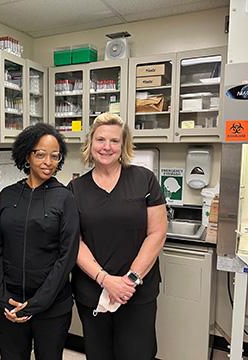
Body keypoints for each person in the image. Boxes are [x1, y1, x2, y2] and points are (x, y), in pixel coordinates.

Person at [69, 113, 167, 360]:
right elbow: (75, 241)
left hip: (137, 292)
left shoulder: (144, 180)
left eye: (114, 141)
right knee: (99, 354)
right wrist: (105, 280)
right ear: (90, 143)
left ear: (123, 145)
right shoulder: (75, 189)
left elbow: (157, 232)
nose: (107, 147)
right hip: (92, 290)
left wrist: (130, 280)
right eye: (100, 139)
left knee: (137, 353)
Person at [0, 123, 80, 360]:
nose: (48, 162)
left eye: (54, 156)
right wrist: (1, 297)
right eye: (40, 154)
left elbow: (67, 256)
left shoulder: (64, 198)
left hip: (52, 307)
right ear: (27, 155)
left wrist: (36, 303)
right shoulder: (7, 195)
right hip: (10, 302)